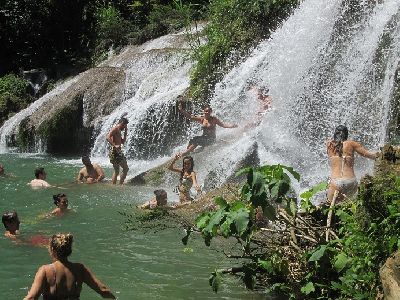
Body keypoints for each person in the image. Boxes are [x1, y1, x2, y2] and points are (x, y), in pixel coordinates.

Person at [24, 233, 116, 300]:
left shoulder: (45, 270)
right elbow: (103, 290)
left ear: (52, 250)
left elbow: (31, 298)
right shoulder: (80, 269)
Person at [326, 125, 377, 203]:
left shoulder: (329, 145)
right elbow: (369, 155)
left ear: (335, 134)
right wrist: (382, 155)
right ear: (346, 134)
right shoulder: (351, 144)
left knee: (331, 206)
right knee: (349, 206)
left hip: (335, 182)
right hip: (350, 181)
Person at [106, 117, 129, 184]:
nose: (125, 127)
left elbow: (122, 142)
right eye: (125, 126)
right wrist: (114, 145)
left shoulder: (119, 130)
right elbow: (107, 137)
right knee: (126, 169)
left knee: (116, 171)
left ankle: (114, 185)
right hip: (115, 152)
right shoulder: (115, 128)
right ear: (122, 123)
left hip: (116, 152)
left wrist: (125, 132)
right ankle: (120, 184)